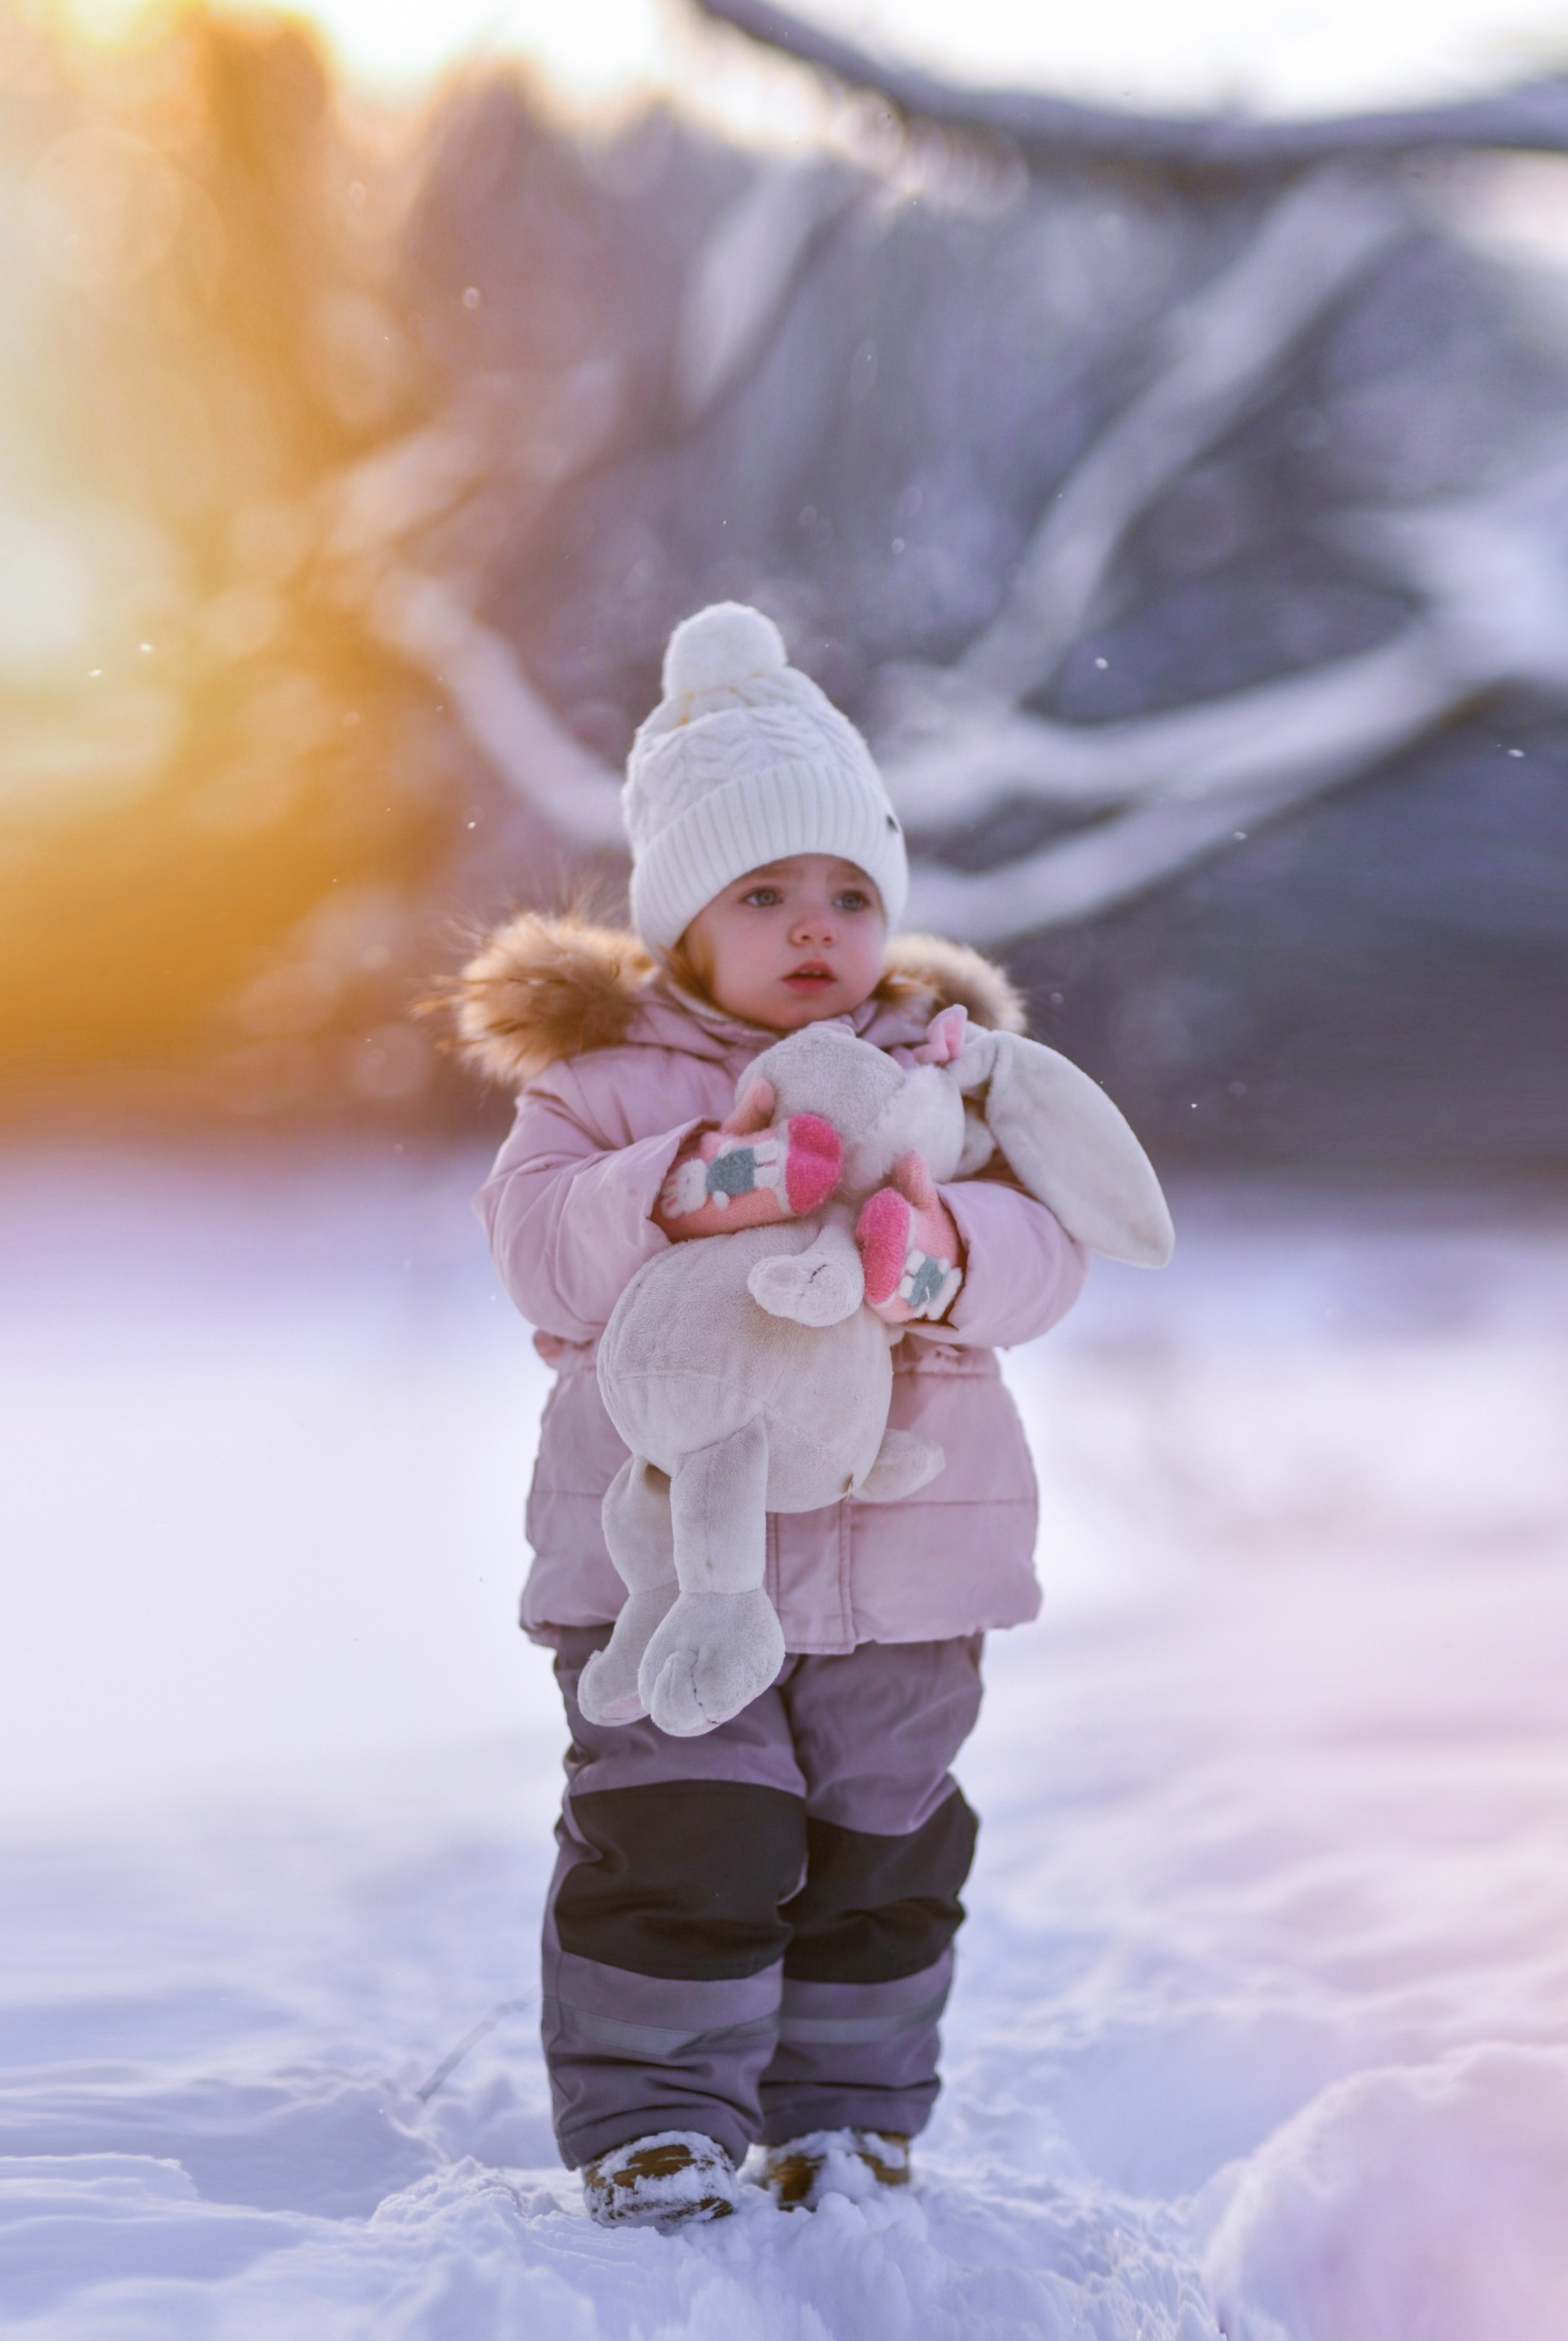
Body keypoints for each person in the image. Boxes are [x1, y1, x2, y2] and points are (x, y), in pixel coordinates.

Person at [457, 603, 1089, 2230]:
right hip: (665, 1552)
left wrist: (943, 1254)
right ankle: (657, 2123)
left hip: (910, 1559)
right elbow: (539, 1244)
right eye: (764, 892)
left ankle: (847, 2119)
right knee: (691, 1832)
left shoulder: (950, 1083)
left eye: (850, 892)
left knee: (884, 1844)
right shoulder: (600, 1083)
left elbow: (1053, 1252)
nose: (817, 924)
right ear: (681, 920)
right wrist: (702, 1181)